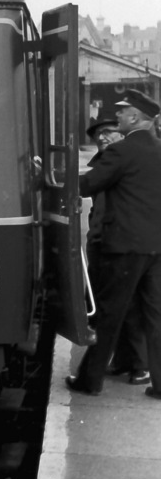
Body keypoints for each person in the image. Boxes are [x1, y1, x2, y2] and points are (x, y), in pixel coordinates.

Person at [66, 88, 161, 397]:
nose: (117, 115)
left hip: (124, 247)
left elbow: (88, 183)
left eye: (122, 111)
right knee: (155, 316)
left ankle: (89, 381)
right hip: (156, 247)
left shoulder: (122, 151)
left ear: (135, 117)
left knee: (108, 314)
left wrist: (52, 178)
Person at [83, 118, 149, 385]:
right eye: (98, 134)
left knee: (127, 307)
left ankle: (138, 365)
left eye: (109, 132)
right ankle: (124, 362)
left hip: (120, 243)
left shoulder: (124, 163)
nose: (103, 137)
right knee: (105, 305)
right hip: (100, 241)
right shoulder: (103, 163)